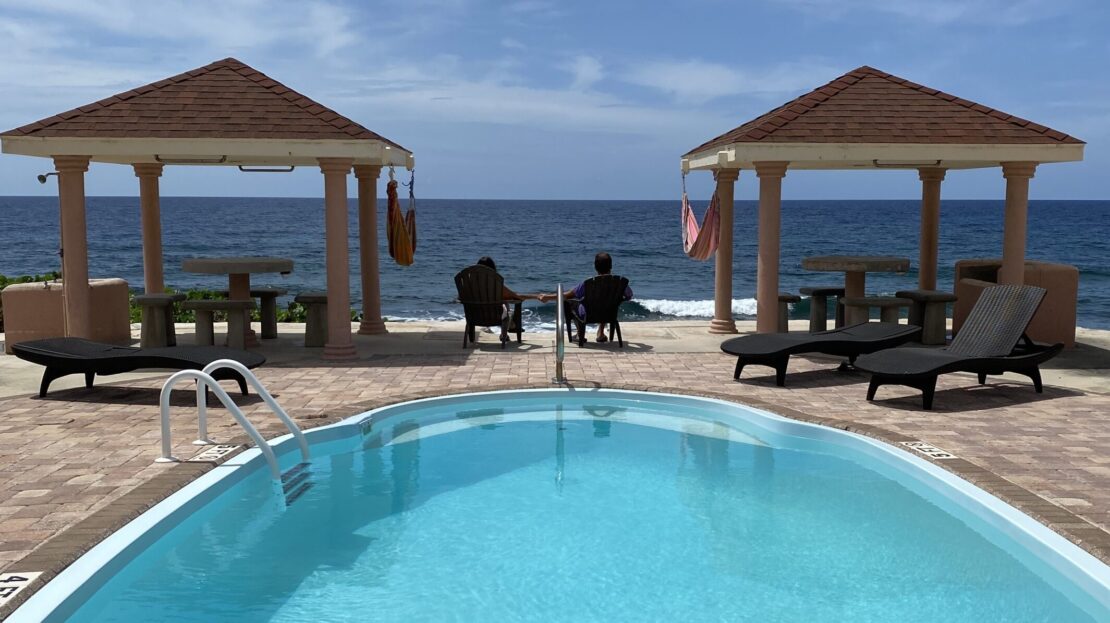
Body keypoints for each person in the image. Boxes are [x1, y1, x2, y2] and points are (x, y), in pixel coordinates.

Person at [545, 252, 633, 343]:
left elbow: (567, 295)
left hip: (588, 315)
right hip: (610, 314)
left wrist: (547, 297)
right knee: (606, 302)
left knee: (569, 302)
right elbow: (629, 296)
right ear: (611, 266)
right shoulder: (620, 283)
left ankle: (579, 334)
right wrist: (618, 300)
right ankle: (601, 333)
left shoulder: (588, 283)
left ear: (595, 267)